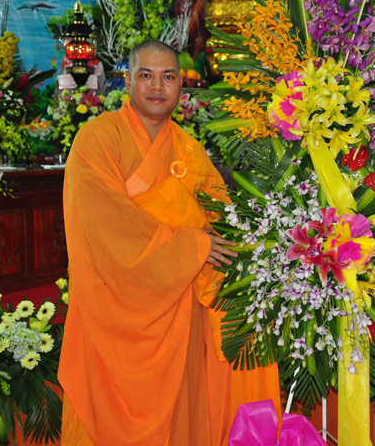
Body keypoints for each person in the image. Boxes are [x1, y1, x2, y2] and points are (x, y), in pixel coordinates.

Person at [59, 40, 281, 446]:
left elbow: (223, 224)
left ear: (182, 85)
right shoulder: (96, 141)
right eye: (146, 75)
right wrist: (190, 247)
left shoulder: (189, 151)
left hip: (178, 313)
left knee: (182, 419)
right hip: (113, 314)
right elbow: (104, 226)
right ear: (128, 81)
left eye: (168, 77)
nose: (157, 86)